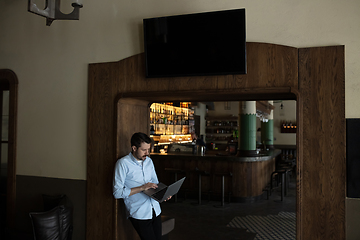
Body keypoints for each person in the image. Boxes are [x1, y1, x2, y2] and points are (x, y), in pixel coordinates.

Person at [113, 132, 169, 240]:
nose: (147, 153)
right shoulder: (122, 164)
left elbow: (155, 183)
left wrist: (164, 193)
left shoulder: (149, 161)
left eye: (148, 149)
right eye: (144, 150)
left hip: (155, 210)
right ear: (134, 148)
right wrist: (142, 188)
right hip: (139, 212)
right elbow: (117, 193)